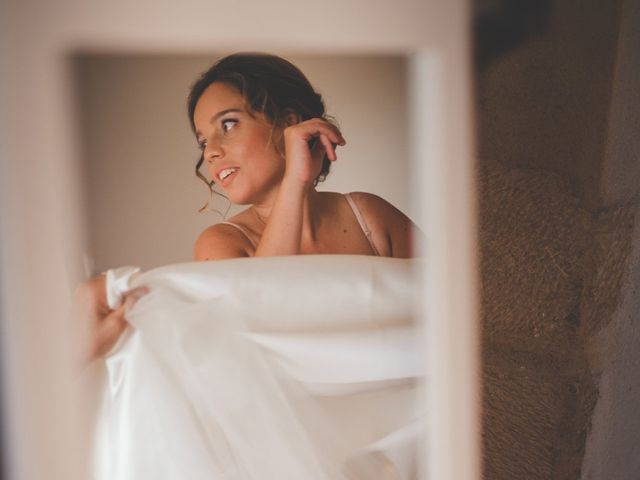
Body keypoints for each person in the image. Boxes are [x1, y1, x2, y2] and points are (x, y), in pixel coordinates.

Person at [76, 52, 418, 363]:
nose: (210, 151)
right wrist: (294, 185)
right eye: (203, 141)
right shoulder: (220, 244)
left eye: (227, 124)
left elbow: (461, 301)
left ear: (288, 122)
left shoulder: (369, 215)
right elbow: (262, 311)